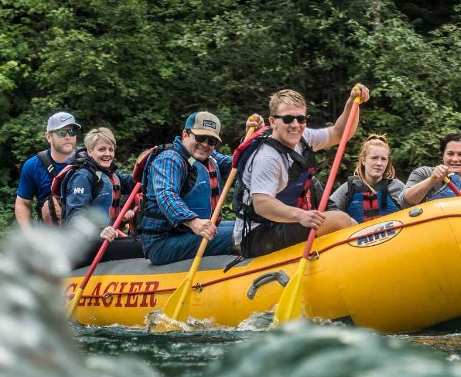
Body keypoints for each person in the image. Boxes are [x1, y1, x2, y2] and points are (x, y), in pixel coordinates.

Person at [234, 84, 371, 257]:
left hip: (280, 224)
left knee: (349, 221)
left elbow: (340, 132)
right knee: (341, 220)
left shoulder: (302, 137)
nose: (295, 125)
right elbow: (261, 204)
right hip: (257, 235)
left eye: (301, 119)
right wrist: (299, 215)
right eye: (288, 119)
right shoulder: (267, 157)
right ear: (273, 122)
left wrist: (352, 102)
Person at [137, 111, 262, 265]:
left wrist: (254, 137)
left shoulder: (211, 158)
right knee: (242, 234)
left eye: (211, 141)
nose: (205, 144)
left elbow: (242, 163)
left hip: (191, 232)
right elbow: (166, 194)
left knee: (252, 225)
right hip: (163, 242)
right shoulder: (169, 158)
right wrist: (193, 221)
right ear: (185, 134)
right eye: (200, 138)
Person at [59, 127, 143, 261]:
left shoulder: (112, 175)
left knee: (144, 241)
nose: (107, 154)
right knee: (142, 248)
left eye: (111, 149)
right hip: (84, 245)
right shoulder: (82, 176)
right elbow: (76, 216)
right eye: (102, 149)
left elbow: (136, 181)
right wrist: (100, 231)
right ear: (90, 152)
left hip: (104, 240)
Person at [14, 111, 80, 230]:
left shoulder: (90, 161)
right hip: (50, 238)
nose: (68, 137)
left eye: (71, 131)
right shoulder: (32, 166)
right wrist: (29, 235)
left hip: (88, 238)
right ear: (49, 137)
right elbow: (22, 203)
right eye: (61, 133)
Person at [400, 132, 461, 208]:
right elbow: (404, 202)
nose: (455, 159)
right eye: (450, 154)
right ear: (443, 155)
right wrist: (431, 180)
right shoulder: (423, 173)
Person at [328, 134, 405, 223]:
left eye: (383, 159)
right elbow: (328, 214)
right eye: (374, 158)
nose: (379, 163)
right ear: (363, 160)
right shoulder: (349, 189)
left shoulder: (397, 187)